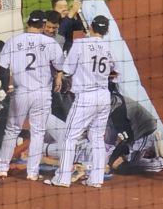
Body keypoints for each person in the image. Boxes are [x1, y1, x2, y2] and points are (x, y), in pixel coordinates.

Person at [45, 15, 117, 188]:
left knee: (70, 137)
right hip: (103, 96)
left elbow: (68, 69)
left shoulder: (80, 44)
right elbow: (115, 73)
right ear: (106, 30)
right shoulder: (109, 47)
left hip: (86, 97)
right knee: (97, 138)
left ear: (91, 27)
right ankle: (96, 180)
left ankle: (62, 178)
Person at [0, 10, 64, 180]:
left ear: (28, 23)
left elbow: (2, 66)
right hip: (42, 93)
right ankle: (32, 173)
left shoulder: (13, 41)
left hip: (21, 92)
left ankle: (1, 168)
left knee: (12, 130)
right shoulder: (50, 43)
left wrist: (5, 86)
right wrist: (57, 77)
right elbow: (60, 66)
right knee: (38, 132)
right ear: (43, 25)